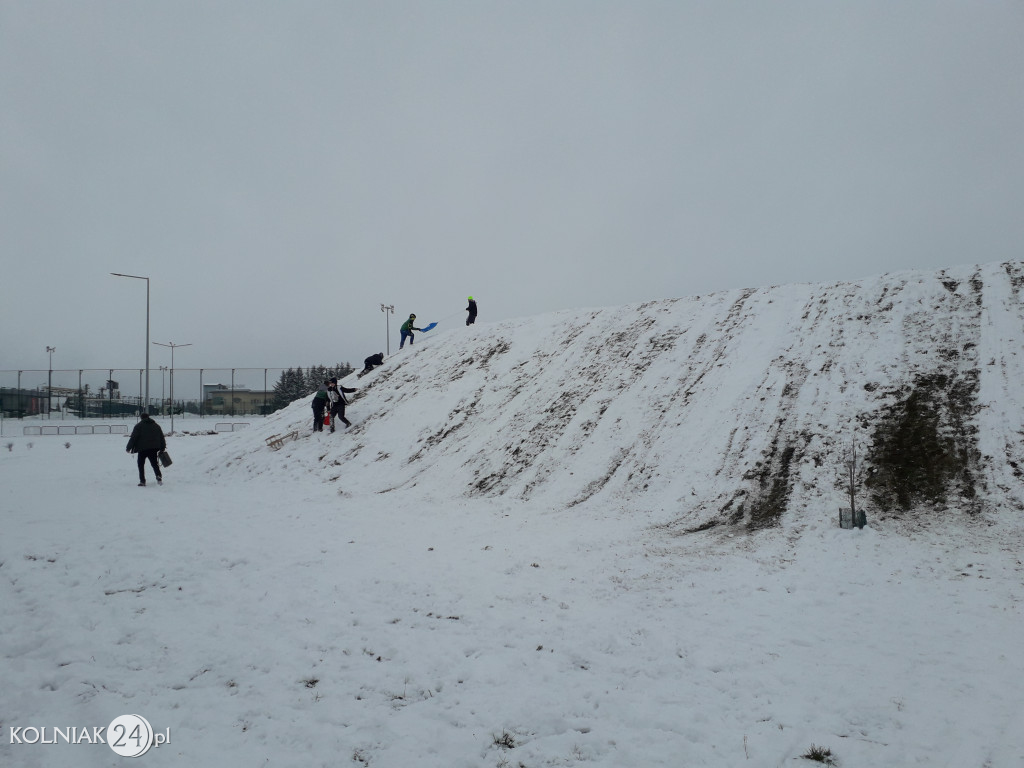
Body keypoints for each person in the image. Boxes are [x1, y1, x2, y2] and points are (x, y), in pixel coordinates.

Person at [126, 411, 167, 487]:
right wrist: (162, 447)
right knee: (154, 464)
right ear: (148, 417)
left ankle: (142, 481)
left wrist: (128, 447)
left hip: (142, 449)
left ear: (141, 418)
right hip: (153, 448)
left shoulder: (138, 426)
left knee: (141, 464)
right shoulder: (156, 426)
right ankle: (158, 477)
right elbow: (161, 437)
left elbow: (133, 438)